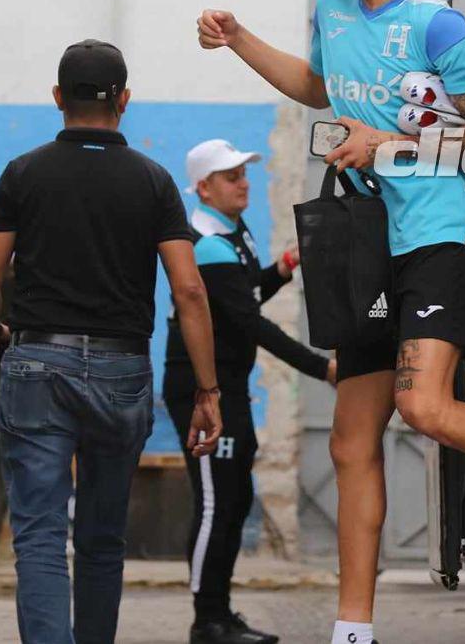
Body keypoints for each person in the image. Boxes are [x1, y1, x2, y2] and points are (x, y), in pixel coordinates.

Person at [196, 0, 465, 644]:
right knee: (352, 441)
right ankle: (353, 630)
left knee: (423, 407)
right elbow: (320, 88)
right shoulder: (330, 10)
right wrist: (240, 38)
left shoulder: (438, 25)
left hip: (441, 233)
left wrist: (390, 144)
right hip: (366, 243)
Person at [0, 40, 223, 644]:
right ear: (125, 101)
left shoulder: (23, 173)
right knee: (103, 540)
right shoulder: (154, 181)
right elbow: (189, 291)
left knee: (38, 534)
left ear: (58, 98)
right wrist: (207, 390)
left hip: (34, 360)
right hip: (121, 369)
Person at [165, 138, 337, 644]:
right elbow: (248, 322)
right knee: (218, 501)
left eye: (244, 173)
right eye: (231, 176)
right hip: (202, 392)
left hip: (228, 387)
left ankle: (221, 612)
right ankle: (207, 620)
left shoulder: (232, 233)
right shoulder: (206, 242)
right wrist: (321, 367)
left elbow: (246, 295)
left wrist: (284, 265)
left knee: (236, 499)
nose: (243, 183)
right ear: (203, 187)